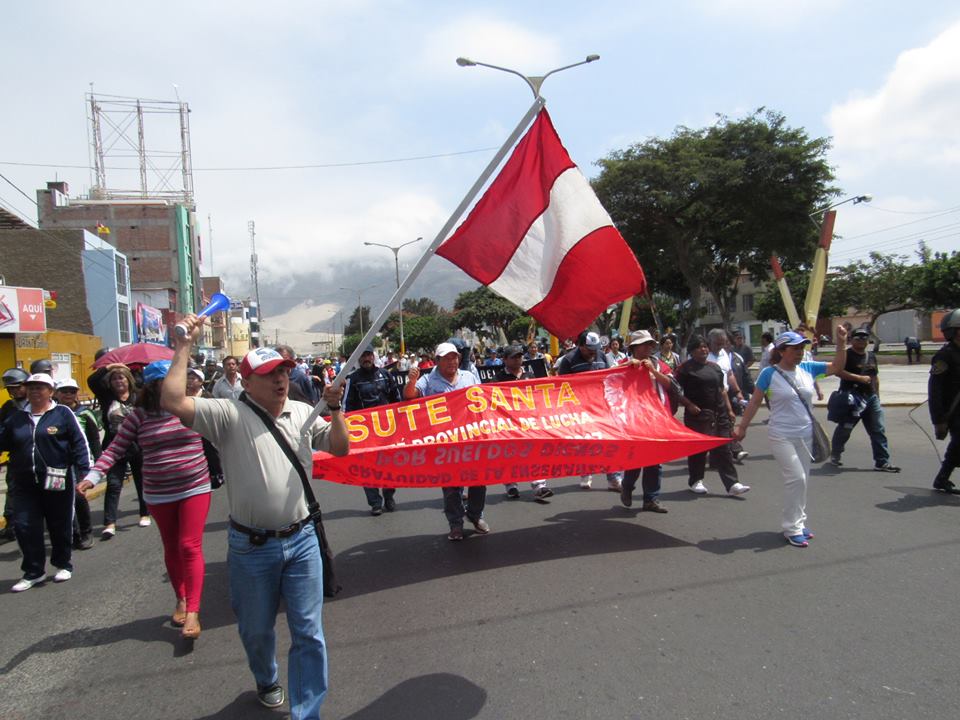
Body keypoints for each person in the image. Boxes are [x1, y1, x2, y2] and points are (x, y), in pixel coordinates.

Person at [162, 318, 349, 717]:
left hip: (302, 542)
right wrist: (184, 346)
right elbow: (174, 401)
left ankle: (307, 711)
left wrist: (334, 410)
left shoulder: (302, 411)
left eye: (283, 371)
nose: (280, 379)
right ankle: (266, 678)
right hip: (252, 548)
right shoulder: (226, 415)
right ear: (247, 383)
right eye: (269, 374)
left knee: (309, 633)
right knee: (256, 631)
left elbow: (341, 447)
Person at [80, 360, 212, 638]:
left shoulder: (192, 408)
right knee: (172, 546)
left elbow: (224, 434)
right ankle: (181, 597)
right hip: (159, 492)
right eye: (167, 381)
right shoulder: (138, 416)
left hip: (195, 487)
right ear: (152, 386)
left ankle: (193, 612)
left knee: (189, 546)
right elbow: (115, 449)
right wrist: (93, 475)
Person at [733, 328, 848, 547]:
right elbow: (755, 402)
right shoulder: (769, 374)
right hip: (781, 435)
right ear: (782, 350)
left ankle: (799, 522)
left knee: (802, 481)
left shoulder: (808, 368)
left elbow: (837, 367)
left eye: (802, 348)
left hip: (805, 434)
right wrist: (742, 427)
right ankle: (791, 527)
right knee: (797, 478)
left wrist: (841, 343)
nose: (800, 352)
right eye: (795, 349)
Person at [1, 373, 91, 591]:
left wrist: (85, 474)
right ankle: (33, 571)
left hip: (57, 479)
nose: (34, 391)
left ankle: (63, 563)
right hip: (24, 482)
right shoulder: (16, 418)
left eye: (40, 387)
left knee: (59, 523)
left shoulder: (62, 413)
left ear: (51, 391)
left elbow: (80, 443)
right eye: (31, 387)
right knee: (23, 525)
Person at [404, 342, 489, 540]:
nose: (452, 361)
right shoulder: (427, 380)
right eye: (447, 358)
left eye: (455, 357)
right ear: (437, 361)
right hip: (445, 443)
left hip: (471, 438)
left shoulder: (469, 376)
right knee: (451, 486)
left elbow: (482, 400)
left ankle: (476, 516)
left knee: (479, 481)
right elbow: (409, 396)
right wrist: (411, 381)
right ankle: (456, 524)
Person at [674, 335, 750, 497]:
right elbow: (676, 390)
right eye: (699, 347)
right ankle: (696, 480)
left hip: (719, 413)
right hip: (699, 415)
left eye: (705, 347)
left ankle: (732, 484)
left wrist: (729, 410)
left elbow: (722, 390)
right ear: (692, 351)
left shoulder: (715, 368)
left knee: (724, 448)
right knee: (699, 449)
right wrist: (688, 404)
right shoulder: (685, 369)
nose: (704, 350)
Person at [829, 328, 901, 472]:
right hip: (852, 399)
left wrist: (877, 397)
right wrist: (859, 378)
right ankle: (835, 454)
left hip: (870, 397)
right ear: (852, 340)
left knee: (878, 430)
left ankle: (882, 462)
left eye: (864, 337)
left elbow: (875, 377)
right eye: (858, 337)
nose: (861, 340)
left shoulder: (871, 356)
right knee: (845, 429)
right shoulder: (846, 354)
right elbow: (837, 371)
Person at [556, 331, 620, 491]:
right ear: (580, 345)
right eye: (589, 348)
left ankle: (613, 477)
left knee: (608, 442)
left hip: (601, 407)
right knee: (584, 443)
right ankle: (585, 472)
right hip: (580, 410)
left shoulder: (602, 356)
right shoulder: (568, 360)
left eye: (596, 348)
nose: (593, 352)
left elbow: (610, 378)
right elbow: (561, 387)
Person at [344, 346, 402, 515]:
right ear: (358, 359)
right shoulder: (352, 379)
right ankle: (375, 503)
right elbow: (348, 407)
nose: (366, 358)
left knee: (390, 466)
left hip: (387, 430)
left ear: (373, 356)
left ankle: (389, 494)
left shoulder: (385, 375)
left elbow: (396, 399)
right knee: (367, 467)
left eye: (368, 355)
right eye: (362, 356)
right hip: (365, 432)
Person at [619, 330, 673, 513]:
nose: (648, 347)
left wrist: (652, 371)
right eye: (644, 344)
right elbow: (610, 383)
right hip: (633, 418)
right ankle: (627, 486)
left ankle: (651, 499)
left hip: (656, 418)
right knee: (635, 457)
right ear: (634, 347)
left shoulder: (658, 364)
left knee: (655, 460)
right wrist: (627, 367)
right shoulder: (622, 365)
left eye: (650, 344)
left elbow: (669, 384)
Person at [495, 346, 553, 501]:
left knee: (534, 453)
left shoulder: (530, 375)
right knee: (509, 455)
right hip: (507, 424)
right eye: (513, 357)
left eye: (519, 356)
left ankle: (539, 485)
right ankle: (511, 485)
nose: (517, 360)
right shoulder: (498, 379)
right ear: (505, 360)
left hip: (529, 422)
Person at [100, 364, 150, 537]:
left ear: (128, 379)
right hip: (115, 446)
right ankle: (109, 522)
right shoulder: (107, 398)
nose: (118, 381)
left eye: (121, 377)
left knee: (141, 480)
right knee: (113, 484)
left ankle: (144, 513)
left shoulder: (138, 396)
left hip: (138, 446)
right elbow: (92, 381)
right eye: (114, 378)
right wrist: (111, 367)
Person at [54, 379, 101, 550]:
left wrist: (98, 464)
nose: (68, 394)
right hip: (57, 464)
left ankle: (86, 531)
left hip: (80, 462)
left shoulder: (85, 413)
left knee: (78, 497)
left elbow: (95, 439)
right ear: (56, 393)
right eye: (64, 391)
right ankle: (72, 534)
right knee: (61, 500)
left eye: (72, 391)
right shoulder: (51, 413)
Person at [929, 309, 960, 494]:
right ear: (953, 331)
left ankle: (942, 478)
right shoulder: (944, 356)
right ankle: (942, 477)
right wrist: (938, 420)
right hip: (954, 410)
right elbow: (935, 389)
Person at [1, 367, 30, 541]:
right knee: (13, 489)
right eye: (11, 388)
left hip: (40, 456)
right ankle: (11, 524)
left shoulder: (40, 402)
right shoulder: (8, 407)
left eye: (17, 386)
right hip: (17, 456)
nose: (14, 391)